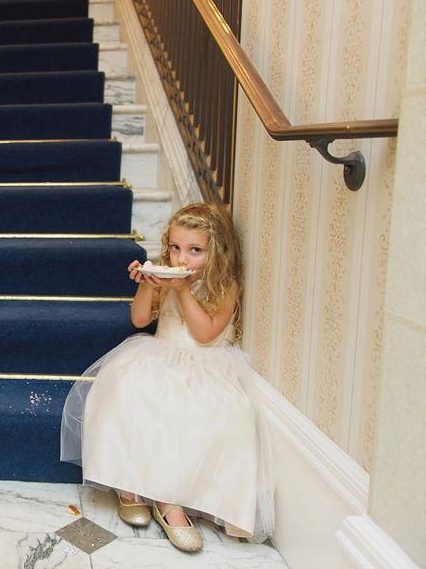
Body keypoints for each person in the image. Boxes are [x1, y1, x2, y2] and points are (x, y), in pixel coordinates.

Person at [60, 202, 275, 552]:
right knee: (126, 386)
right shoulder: (167, 275)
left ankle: (170, 500)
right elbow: (140, 320)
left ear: (217, 251)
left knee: (219, 410)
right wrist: (149, 284)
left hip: (207, 362)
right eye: (175, 248)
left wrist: (182, 289)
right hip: (159, 353)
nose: (181, 259)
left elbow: (205, 334)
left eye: (194, 251)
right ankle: (130, 486)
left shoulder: (227, 285)